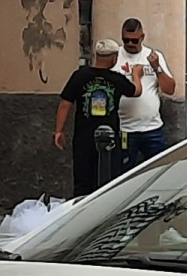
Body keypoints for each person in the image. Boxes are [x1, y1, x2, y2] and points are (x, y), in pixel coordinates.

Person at [54, 40, 136, 196]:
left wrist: (59, 130)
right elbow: (135, 91)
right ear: (114, 58)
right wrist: (137, 75)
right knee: (110, 181)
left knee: (83, 181)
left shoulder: (79, 76)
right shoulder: (116, 79)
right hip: (110, 139)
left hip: (84, 138)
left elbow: (65, 103)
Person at [115, 17, 175, 167]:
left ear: (142, 37)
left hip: (152, 129)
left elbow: (170, 89)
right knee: (124, 174)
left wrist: (157, 68)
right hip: (125, 129)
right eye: (125, 40)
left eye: (134, 41)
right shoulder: (116, 56)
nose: (129, 44)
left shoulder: (154, 56)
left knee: (158, 171)